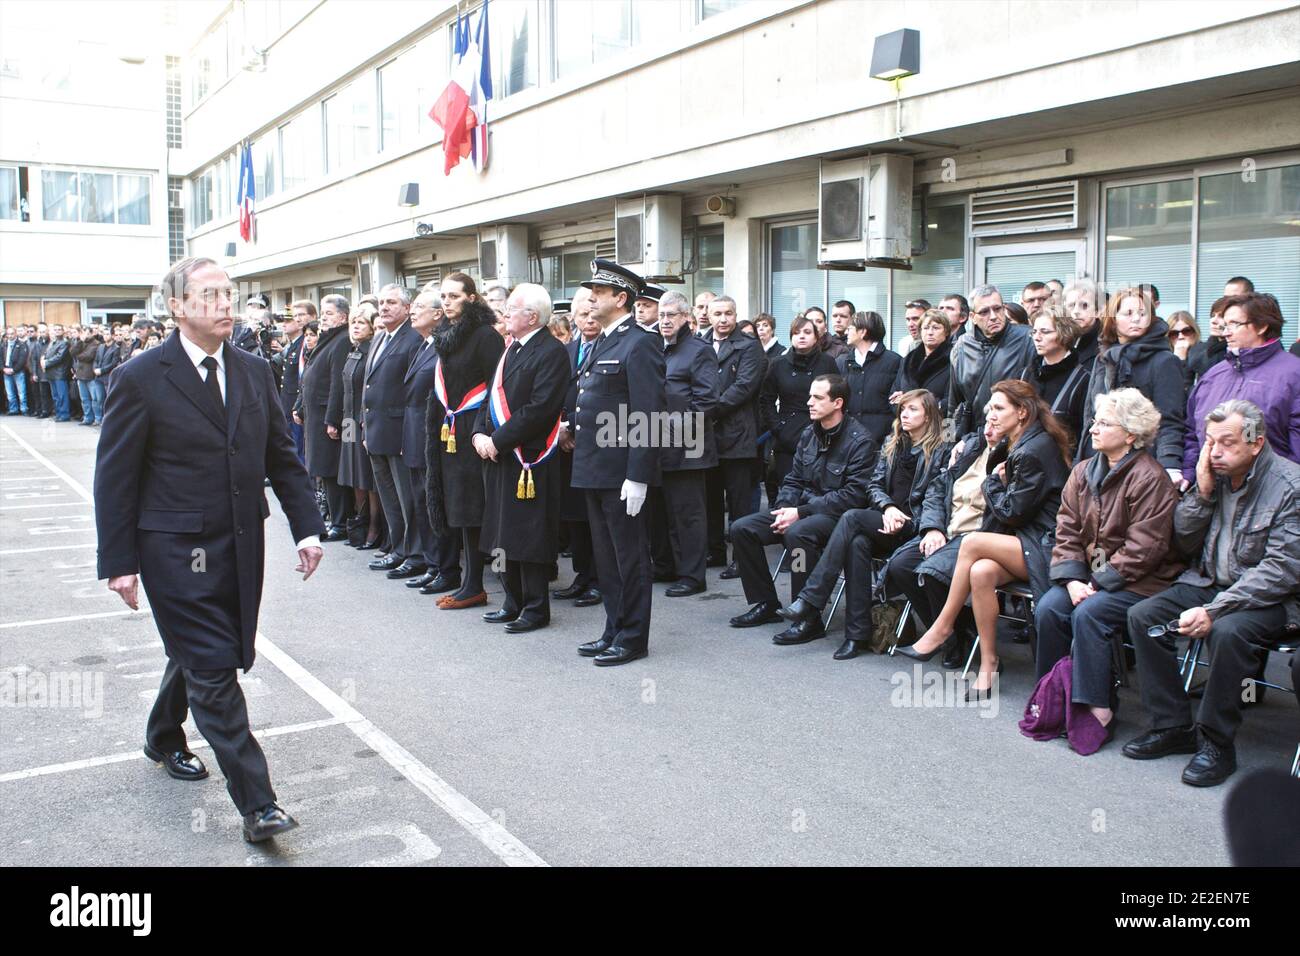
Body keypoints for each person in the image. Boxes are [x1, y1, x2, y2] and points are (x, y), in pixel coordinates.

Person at [93, 257, 323, 843]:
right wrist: (119, 561)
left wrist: (307, 528)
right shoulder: (142, 376)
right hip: (172, 549)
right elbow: (115, 476)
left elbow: (280, 454)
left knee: (201, 653)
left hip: (239, 542)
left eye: (230, 294)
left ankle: (162, 733)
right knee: (215, 668)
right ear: (177, 307)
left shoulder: (251, 370)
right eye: (212, 295)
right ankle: (258, 804)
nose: (227, 305)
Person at [1124, 400, 1300, 787]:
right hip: (1208, 583)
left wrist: (1216, 610)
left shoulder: (1290, 486)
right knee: (1143, 615)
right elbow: (1185, 543)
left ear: (1256, 443)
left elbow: (1282, 571)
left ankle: (1216, 742)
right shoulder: (1215, 478)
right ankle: (1172, 726)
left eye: (1227, 443)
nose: (1215, 452)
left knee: (1227, 631)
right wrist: (1201, 494)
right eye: (1209, 442)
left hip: (1273, 601)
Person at [898, 380, 1073, 699]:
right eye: (990, 407)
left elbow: (1012, 512)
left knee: (972, 544)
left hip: (1047, 546)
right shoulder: (1020, 442)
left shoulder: (1034, 449)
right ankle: (989, 664)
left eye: (999, 408)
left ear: (1022, 412)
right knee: (980, 572)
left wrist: (992, 483)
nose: (990, 415)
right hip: (1025, 540)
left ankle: (943, 625)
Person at [1033, 389, 1184, 743]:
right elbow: (1065, 529)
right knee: (1049, 609)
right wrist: (1072, 580)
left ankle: (1098, 706)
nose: (1093, 429)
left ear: (1131, 434)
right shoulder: (1083, 471)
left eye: (1104, 423)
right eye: (1095, 421)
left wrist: (1097, 584)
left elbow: (1146, 548)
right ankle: (1054, 696)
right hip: (1087, 577)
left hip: (1143, 581)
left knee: (1091, 614)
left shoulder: (1151, 477)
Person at [778, 389, 950, 659]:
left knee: (851, 518)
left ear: (929, 415)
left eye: (913, 409)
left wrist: (902, 516)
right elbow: (874, 485)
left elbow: (935, 495)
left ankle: (811, 600)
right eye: (902, 408)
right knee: (857, 543)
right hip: (885, 518)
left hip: (916, 526)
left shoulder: (942, 450)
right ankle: (856, 636)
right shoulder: (893, 442)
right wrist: (889, 507)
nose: (904, 414)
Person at [570, 258, 666, 666]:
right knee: (606, 557)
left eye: (601, 292)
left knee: (629, 557)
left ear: (621, 298)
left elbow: (649, 414)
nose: (592, 298)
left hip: (621, 473)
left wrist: (638, 476)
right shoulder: (607, 340)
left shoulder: (639, 342)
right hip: (595, 468)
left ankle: (632, 637)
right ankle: (613, 628)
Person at [729, 374, 876, 634]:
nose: (809, 402)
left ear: (838, 402)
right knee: (742, 529)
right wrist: (784, 509)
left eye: (818, 397)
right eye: (810, 396)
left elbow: (853, 496)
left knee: (800, 534)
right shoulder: (810, 433)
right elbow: (793, 479)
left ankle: (808, 616)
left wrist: (800, 513)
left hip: (836, 516)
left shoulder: (860, 440)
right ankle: (765, 603)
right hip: (802, 509)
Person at [470, 284, 572, 632]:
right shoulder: (509, 349)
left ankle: (535, 607)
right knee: (502, 533)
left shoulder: (551, 352)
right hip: (500, 457)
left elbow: (539, 410)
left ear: (532, 316)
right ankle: (511, 601)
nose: (505, 314)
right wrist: (479, 434)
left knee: (528, 536)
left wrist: (496, 440)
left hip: (530, 459)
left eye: (512, 309)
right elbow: (490, 398)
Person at [426, 272, 505, 610]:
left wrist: (481, 428)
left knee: (474, 508)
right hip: (449, 431)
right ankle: (465, 580)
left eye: (454, 296)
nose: (447, 302)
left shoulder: (486, 336)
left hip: (474, 432)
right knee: (457, 507)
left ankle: (477, 584)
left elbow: (496, 387)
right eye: (444, 296)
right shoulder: (444, 334)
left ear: (472, 298)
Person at [1182, 292, 1300, 483]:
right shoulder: (1213, 375)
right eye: (1225, 325)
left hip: (1272, 498)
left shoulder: (1293, 375)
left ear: (1262, 326)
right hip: (1209, 495)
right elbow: (1191, 431)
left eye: (1235, 324)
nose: (1226, 332)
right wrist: (1191, 476)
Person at [1078, 286, 1186, 479]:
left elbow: (1169, 419)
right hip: (1099, 460)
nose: (1136, 319)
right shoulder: (1103, 358)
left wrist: (1170, 464)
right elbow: (1089, 415)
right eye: (1128, 313)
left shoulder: (1164, 360)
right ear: (1113, 319)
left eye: (1142, 313)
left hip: (1142, 462)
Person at [398, 290, 460, 594]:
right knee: (420, 503)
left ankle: (446, 568)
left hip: (433, 436)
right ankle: (432, 563)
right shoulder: (423, 346)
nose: (413, 311)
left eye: (420, 307)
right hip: (413, 434)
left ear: (438, 314)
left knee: (435, 503)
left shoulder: (444, 347)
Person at [657, 290, 718, 598]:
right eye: (661, 316)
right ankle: (670, 566)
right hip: (657, 442)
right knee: (666, 511)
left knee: (688, 514)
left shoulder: (699, 350)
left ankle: (693, 576)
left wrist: (671, 431)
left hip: (687, 446)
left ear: (686, 319)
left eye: (671, 316)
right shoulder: (658, 348)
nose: (665, 321)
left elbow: (706, 402)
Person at [362, 284, 425, 579]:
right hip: (376, 430)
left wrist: (407, 435)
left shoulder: (413, 338)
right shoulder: (379, 338)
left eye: (391, 302)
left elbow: (413, 389)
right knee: (390, 497)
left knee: (407, 497)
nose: (384, 307)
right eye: (382, 302)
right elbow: (371, 384)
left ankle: (415, 553)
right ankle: (399, 548)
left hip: (400, 432)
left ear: (407, 307)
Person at [705, 294, 765, 575]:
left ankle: (742, 558)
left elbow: (743, 387)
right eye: (717, 314)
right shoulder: (701, 343)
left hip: (737, 433)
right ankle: (714, 552)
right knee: (710, 497)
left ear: (735, 314)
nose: (723, 319)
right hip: (706, 435)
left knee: (739, 501)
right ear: (709, 315)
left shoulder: (750, 346)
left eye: (728, 313)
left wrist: (707, 409)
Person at [553, 287, 601, 608]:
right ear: (573, 318)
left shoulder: (611, 347)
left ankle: (599, 580)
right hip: (566, 448)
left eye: (594, 314)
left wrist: (576, 431)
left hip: (596, 447)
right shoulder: (567, 351)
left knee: (595, 519)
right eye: (583, 315)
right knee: (574, 517)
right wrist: (560, 427)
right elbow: (555, 393)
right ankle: (581, 576)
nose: (589, 321)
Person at [761, 315, 839, 496]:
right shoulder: (778, 364)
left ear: (816, 337)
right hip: (787, 435)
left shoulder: (827, 362)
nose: (801, 336)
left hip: (822, 433)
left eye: (807, 332)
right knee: (788, 490)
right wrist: (778, 427)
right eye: (796, 333)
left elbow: (838, 396)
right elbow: (766, 400)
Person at [294, 295, 352, 540]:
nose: (324, 317)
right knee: (321, 469)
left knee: (331, 470)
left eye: (329, 313)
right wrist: (300, 406)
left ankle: (340, 522)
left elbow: (338, 384)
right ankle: (332, 516)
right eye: (323, 313)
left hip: (327, 416)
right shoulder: (327, 339)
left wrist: (332, 419)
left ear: (343, 316)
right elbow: (309, 375)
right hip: (315, 413)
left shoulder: (341, 341)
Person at [947, 284, 1035, 439]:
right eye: (984, 312)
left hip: (1015, 437)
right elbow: (953, 403)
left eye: (998, 308)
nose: (993, 316)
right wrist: (946, 441)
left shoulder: (1027, 338)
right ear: (973, 317)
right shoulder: (961, 347)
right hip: (973, 438)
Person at [334, 304, 383, 550]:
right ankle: (360, 524)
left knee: (367, 476)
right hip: (348, 421)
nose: (355, 326)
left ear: (372, 327)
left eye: (361, 322)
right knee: (353, 474)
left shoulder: (372, 351)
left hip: (363, 419)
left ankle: (374, 528)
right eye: (353, 321)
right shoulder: (352, 351)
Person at [1025, 305, 1090, 443]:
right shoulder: (1026, 374)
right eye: (1034, 332)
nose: (1037, 337)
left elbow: (1084, 432)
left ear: (1064, 334)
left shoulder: (1082, 379)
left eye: (1045, 332)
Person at [836, 310, 900, 443]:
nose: (847, 332)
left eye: (850, 328)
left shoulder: (894, 361)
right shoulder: (842, 362)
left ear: (863, 332)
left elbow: (896, 402)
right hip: (847, 439)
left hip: (882, 440)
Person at [890, 308, 952, 407]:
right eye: (926, 328)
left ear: (946, 331)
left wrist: (910, 401)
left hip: (937, 420)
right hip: (906, 419)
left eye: (936, 328)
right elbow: (894, 395)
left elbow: (951, 401)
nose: (930, 332)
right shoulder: (908, 359)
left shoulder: (953, 359)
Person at [280, 301, 312, 463]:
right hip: (290, 405)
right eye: (295, 316)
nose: (284, 325)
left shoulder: (304, 344)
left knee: (300, 450)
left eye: (288, 320)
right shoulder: (294, 345)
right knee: (293, 447)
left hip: (299, 405)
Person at [1063, 278, 1103, 369]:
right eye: (1071, 305)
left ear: (1097, 311)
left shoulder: (1106, 343)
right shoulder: (1058, 340)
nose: (1076, 311)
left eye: (1084, 306)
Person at [1166, 311, 1205, 389]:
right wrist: (1179, 361)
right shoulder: (1164, 357)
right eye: (1174, 333)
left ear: (1194, 332)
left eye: (1186, 331)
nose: (1181, 337)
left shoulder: (1205, 354)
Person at [42, 324, 72, 421]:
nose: (57, 331)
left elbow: (59, 357)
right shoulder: (53, 343)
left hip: (60, 373)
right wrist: (44, 359)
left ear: (63, 331)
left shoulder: (64, 343)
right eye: (56, 330)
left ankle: (64, 414)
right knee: (55, 396)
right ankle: (59, 413)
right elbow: (47, 354)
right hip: (51, 373)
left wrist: (46, 362)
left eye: (59, 329)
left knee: (62, 395)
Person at [3, 327, 31, 416]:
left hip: (18, 371)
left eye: (12, 334)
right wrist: (3, 368)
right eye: (8, 334)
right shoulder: (4, 345)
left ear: (15, 334)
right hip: (6, 370)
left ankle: (24, 409)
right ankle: (13, 409)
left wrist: (14, 369)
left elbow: (22, 359)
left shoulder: (22, 344)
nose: (10, 336)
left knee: (21, 392)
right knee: (10, 393)